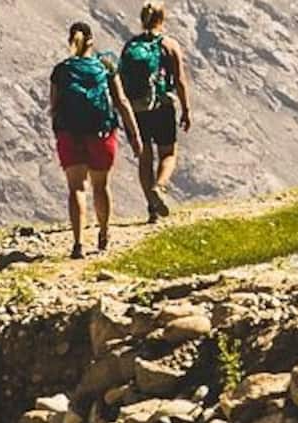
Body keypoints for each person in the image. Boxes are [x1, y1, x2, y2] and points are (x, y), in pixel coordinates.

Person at [50, 22, 143, 259]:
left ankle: (78, 243)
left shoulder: (61, 71)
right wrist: (134, 135)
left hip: (70, 135)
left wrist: (60, 133)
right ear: (92, 40)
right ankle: (103, 234)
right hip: (101, 135)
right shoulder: (106, 66)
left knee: (76, 188)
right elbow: (121, 101)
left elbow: (54, 106)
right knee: (100, 186)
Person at [121, 2, 193, 223]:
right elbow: (179, 81)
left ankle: (152, 209)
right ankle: (159, 188)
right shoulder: (169, 45)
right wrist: (186, 109)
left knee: (145, 158)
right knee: (168, 154)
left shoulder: (130, 46)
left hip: (137, 110)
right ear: (162, 19)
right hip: (162, 107)